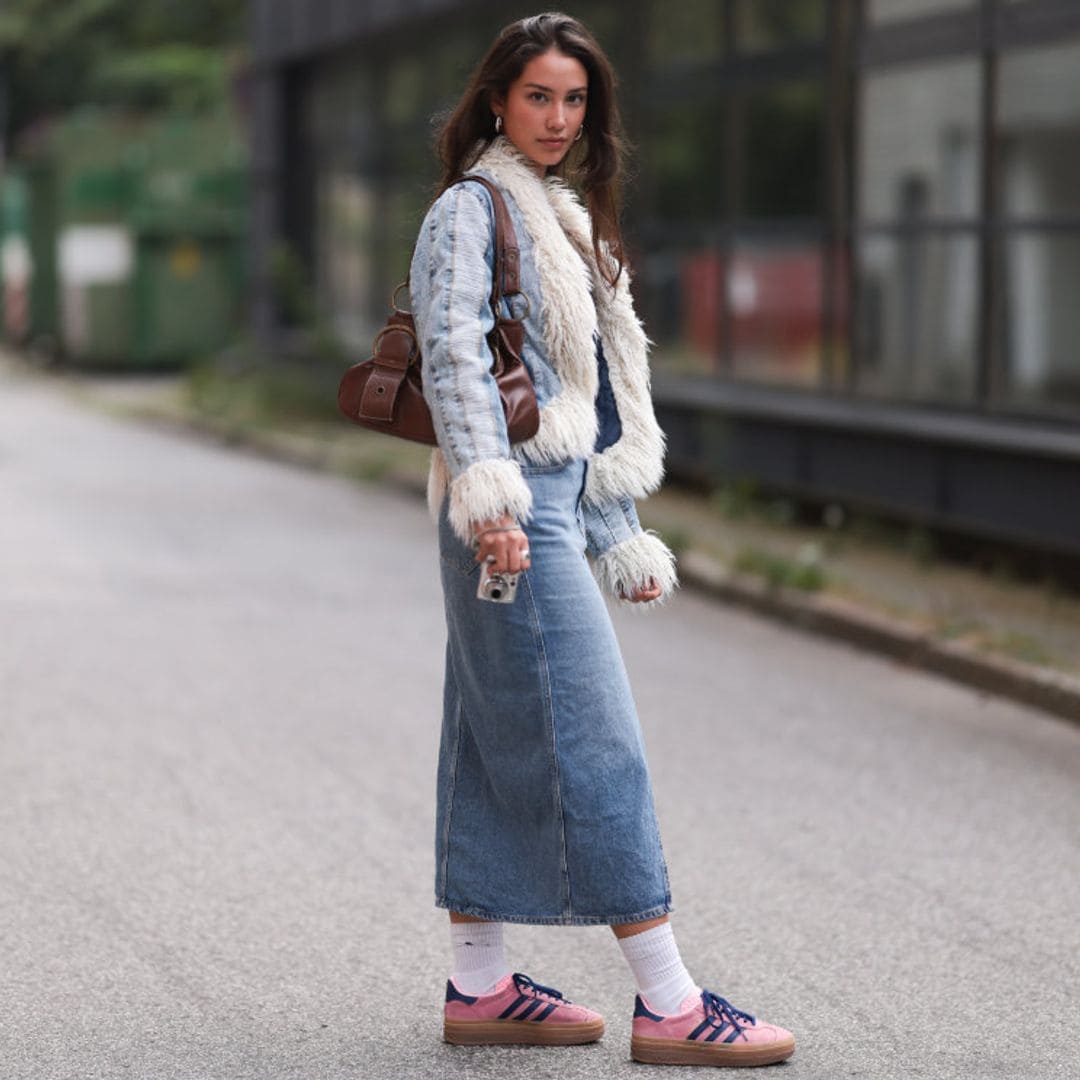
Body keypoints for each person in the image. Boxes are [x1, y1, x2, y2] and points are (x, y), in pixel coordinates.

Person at [408, 12, 795, 1069]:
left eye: (574, 100)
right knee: (596, 740)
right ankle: (669, 1003)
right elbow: (453, 360)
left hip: (551, 503)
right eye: (538, 96)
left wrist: (617, 526)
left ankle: (480, 984)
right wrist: (491, 510)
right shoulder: (471, 210)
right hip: (510, 512)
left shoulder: (563, 217)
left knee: (491, 737)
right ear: (498, 99)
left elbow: (596, 398)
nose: (557, 118)